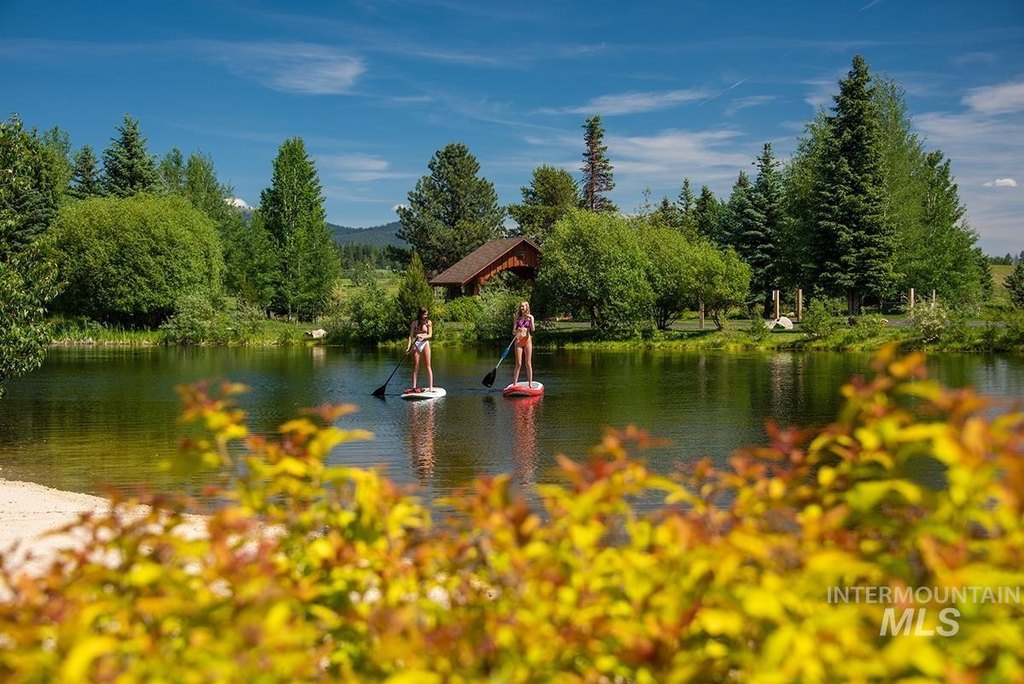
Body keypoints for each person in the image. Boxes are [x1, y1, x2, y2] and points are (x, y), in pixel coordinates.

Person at [405, 307, 433, 390]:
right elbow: (410, 336)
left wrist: (422, 336)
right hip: (416, 344)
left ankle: (431, 387)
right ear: (420, 314)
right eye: (424, 314)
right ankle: (414, 387)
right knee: (415, 366)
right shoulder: (414, 323)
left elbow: (430, 335)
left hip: (425, 343)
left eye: (427, 314)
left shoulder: (428, 322)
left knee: (428, 365)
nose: (426, 316)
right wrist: (408, 347)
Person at [511, 301, 535, 387]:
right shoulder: (517, 318)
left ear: (527, 307)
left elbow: (533, 329)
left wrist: (531, 319)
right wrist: (518, 330)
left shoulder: (530, 317)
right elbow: (513, 332)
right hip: (518, 342)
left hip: (528, 341)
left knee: (528, 363)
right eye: (521, 306)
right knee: (519, 363)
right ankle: (514, 384)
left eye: (523, 306)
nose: (522, 308)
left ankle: (530, 383)